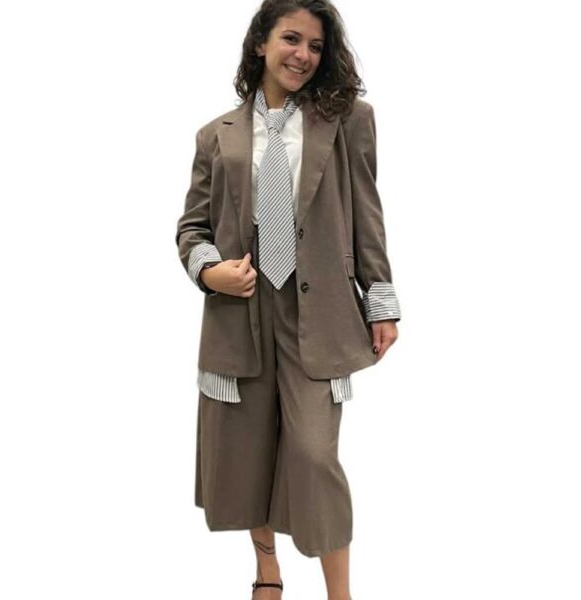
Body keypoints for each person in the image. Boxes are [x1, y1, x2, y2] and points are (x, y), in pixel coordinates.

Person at [175, 0, 401, 597]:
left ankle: (339, 595)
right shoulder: (215, 135)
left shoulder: (348, 120)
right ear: (261, 43)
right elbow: (192, 228)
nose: (303, 55)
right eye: (291, 39)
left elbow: (368, 215)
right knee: (248, 452)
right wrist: (210, 272)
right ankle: (267, 574)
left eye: (316, 46)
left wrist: (380, 301)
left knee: (313, 456)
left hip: (320, 312)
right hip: (239, 313)